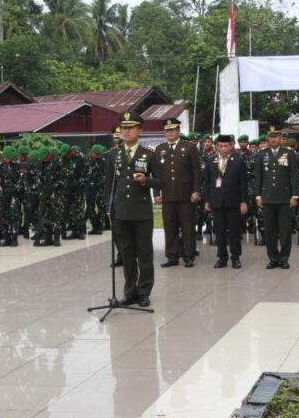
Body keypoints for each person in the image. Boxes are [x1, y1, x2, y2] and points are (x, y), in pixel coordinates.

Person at [105, 111, 162, 307]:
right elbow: (108, 184)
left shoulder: (148, 154)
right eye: (124, 128)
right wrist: (108, 207)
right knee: (127, 253)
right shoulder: (114, 154)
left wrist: (146, 181)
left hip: (141, 212)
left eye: (131, 128)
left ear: (140, 130)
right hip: (121, 212)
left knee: (144, 253)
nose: (126, 131)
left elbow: (160, 180)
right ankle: (130, 291)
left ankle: (144, 290)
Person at [154, 117, 202, 268]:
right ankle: (172, 256)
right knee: (170, 227)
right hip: (167, 195)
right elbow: (156, 174)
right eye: (168, 130)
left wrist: (196, 191)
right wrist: (156, 193)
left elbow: (196, 171)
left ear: (179, 131)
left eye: (173, 130)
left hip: (186, 195)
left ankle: (188, 256)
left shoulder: (188, 147)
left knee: (187, 227)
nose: (170, 132)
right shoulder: (160, 149)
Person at [254, 125, 299, 269]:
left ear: (281, 139)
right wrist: (257, 196)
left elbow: (294, 175)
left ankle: (284, 258)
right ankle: (273, 258)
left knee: (285, 230)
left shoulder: (289, 153)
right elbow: (258, 177)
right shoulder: (261, 154)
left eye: (276, 137)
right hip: (267, 198)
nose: (274, 139)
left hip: (285, 197)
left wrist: (295, 195)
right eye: (271, 137)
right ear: (268, 139)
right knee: (270, 230)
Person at [202, 134, 248, 269]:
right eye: (220, 146)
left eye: (226, 146)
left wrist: (243, 202)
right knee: (219, 232)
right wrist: (207, 200)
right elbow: (207, 183)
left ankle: (235, 257)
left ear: (231, 146)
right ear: (217, 147)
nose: (223, 148)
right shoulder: (210, 161)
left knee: (234, 231)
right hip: (216, 202)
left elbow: (243, 183)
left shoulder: (238, 161)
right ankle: (222, 257)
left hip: (234, 202)